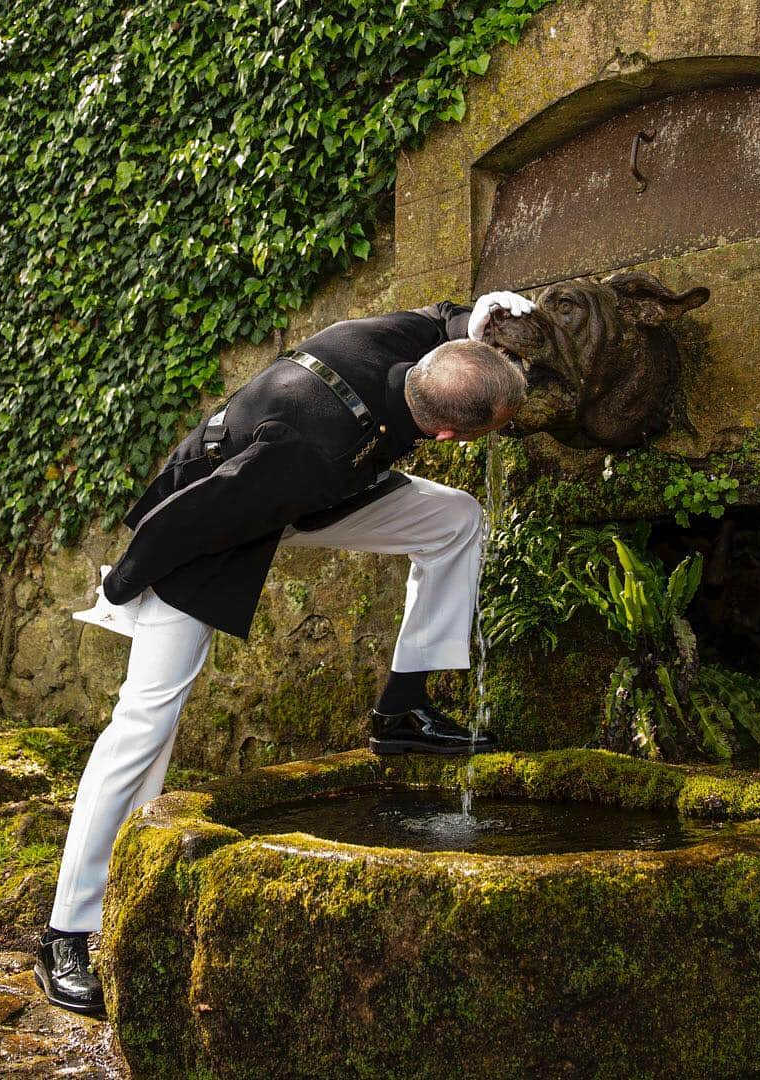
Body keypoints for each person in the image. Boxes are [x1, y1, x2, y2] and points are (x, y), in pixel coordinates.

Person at [33, 289, 535, 1016]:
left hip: (322, 492)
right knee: (144, 721)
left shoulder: (391, 340)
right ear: (453, 437)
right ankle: (65, 935)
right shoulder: (304, 451)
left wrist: (481, 319)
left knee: (455, 517)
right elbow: (196, 512)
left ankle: (401, 710)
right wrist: (125, 584)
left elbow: (441, 320)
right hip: (217, 521)